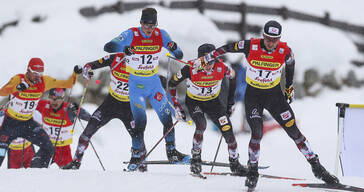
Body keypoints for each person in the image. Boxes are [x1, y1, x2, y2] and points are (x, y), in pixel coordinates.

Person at [198, 20, 339, 189]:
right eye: (268, 39)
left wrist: (289, 87)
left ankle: (317, 167)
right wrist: (211, 55)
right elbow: (228, 47)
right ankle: (252, 172)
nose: (271, 43)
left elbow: (291, 65)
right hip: (254, 97)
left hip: (274, 97)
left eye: (275, 39)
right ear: (263, 36)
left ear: (279, 38)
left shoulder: (285, 50)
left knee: (294, 131)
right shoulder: (251, 45)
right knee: (257, 133)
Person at [103, 7, 189, 171]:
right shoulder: (131, 34)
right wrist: (123, 49)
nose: (149, 29)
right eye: (146, 25)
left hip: (154, 84)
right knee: (140, 123)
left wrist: (173, 46)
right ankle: (136, 157)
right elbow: (108, 47)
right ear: (141, 23)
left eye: (152, 25)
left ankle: (171, 152)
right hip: (136, 85)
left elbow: (179, 54)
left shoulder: (161, 34)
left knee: (166, 118)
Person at [168, 43, 248, 175]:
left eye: (211, 61)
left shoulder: (222, 67)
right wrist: (177, 106)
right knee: (201, 125)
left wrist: (230, 103)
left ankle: (235, 163)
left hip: (213, 103)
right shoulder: (190, 68)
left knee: (227, 129)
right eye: (204, 62)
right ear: (199, 59)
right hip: (195, 103)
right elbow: (172, 84)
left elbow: (233, 77)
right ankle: (196, 160)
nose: (208, 65)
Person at [0, 57, 82, 168]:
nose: (38, 76)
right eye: (35, 73)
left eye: (40, 73)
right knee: (1, 154)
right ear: (28, 70)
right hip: (10, 123)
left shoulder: (44, 81)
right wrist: (16, 88)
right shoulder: (19, 79)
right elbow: (2, 91)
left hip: (27, 123)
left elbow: (68, 84)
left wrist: (75, 74)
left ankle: (36, 171)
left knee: (48, 146)